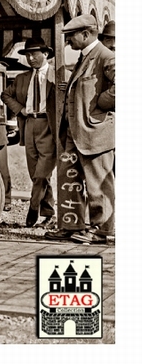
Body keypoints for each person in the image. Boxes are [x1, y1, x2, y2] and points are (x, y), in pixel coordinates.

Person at [47, 14, 115, 244]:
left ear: (86, 34)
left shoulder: (106, 57)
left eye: (70, 37)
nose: (67, 42)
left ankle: (103, 231)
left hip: (95, 133)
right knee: (69, 180)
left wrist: (100, 104)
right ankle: (70, 225)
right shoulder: (84, 58)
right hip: (73, 134)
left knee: (99, 185)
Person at [0, 38, 57, 227]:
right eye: (28, 55)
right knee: (36, 175)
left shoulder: (58, 75)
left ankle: (33, 208)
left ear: (46, 54)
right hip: (29, 125)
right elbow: (5, 95)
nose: (31, 58)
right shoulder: (22, 78)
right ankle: (49, 214)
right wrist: (21, 109)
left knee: (42, 174)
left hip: (49, 126)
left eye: (34, 54)